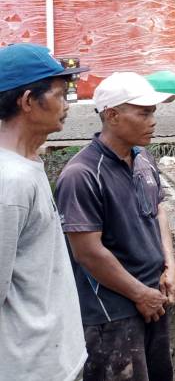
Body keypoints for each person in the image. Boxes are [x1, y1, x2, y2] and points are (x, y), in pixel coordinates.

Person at [55, 72, 175, 381]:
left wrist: (170, 266)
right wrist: (139, 294)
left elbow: (158, 209)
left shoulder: (143, 158)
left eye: (153, 112)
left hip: (153, 298)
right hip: (112, 312)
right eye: (144, 113)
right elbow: (88, 252)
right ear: (112, 115)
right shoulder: (81, 175)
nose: (153, 121)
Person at [0, 43, 88, 381]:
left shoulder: (28, 163)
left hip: (52, 356)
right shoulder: (10, 182)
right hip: (29, 367)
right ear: (27, 101)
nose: (66, 105)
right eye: (60, 94)